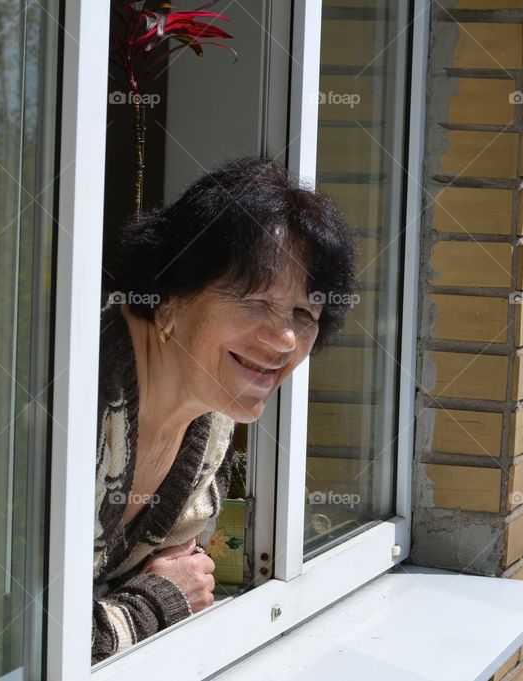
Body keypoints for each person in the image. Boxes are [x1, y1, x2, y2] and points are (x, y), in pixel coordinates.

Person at [91, 157, 358, 664]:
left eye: (305, 314)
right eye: (255, 300)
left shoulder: (210, 411)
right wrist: (159, 601)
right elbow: (30, 638)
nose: (284, 339)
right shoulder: (82, 389)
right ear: (171, 295)